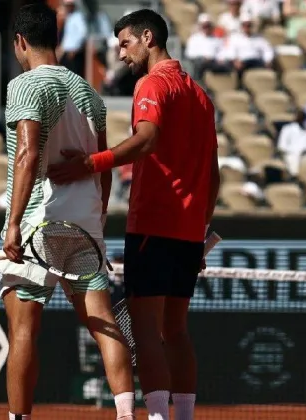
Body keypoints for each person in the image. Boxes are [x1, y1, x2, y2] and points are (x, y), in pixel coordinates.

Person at [47, 9, 221, 420]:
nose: (121, 54)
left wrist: (90, 163)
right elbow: (213, 176)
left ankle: (157, 417)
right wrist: (199, 230)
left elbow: (146, 139)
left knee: (146, 330)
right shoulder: (200, 94)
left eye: (125, 43)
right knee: (175, 331)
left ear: (148, 38)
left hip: (154, 225)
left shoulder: (152, 83)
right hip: (186, 232)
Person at [0, 4, 135, 420]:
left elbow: (27, 153)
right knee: (103, 324)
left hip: (37, 220)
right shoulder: (90, 94)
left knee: (24, 330)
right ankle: (129, 414)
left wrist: (14, 223)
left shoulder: (25, 85)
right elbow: (104, 165)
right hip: (85, 221)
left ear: (20, 42)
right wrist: (97, 217)